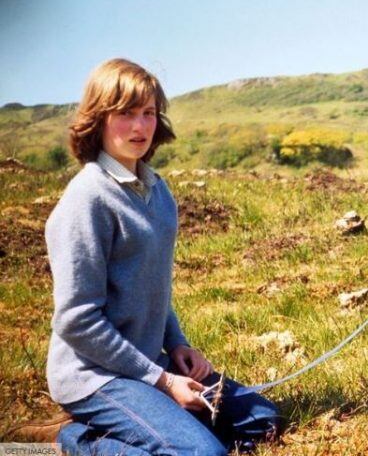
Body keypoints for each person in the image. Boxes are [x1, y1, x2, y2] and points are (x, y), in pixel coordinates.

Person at [39, 58, 282, 454]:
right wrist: (163, 381)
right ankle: (79, 441)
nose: (140, 127)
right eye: (126, 114)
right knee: (204, 453)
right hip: (94, 376)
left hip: (146, 364)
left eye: (148, 113)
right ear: (98, 119)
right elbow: (76, 320)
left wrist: (179, 345)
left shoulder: (158, 192)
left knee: (261, 420)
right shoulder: (86, 200)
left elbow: (151, 286)